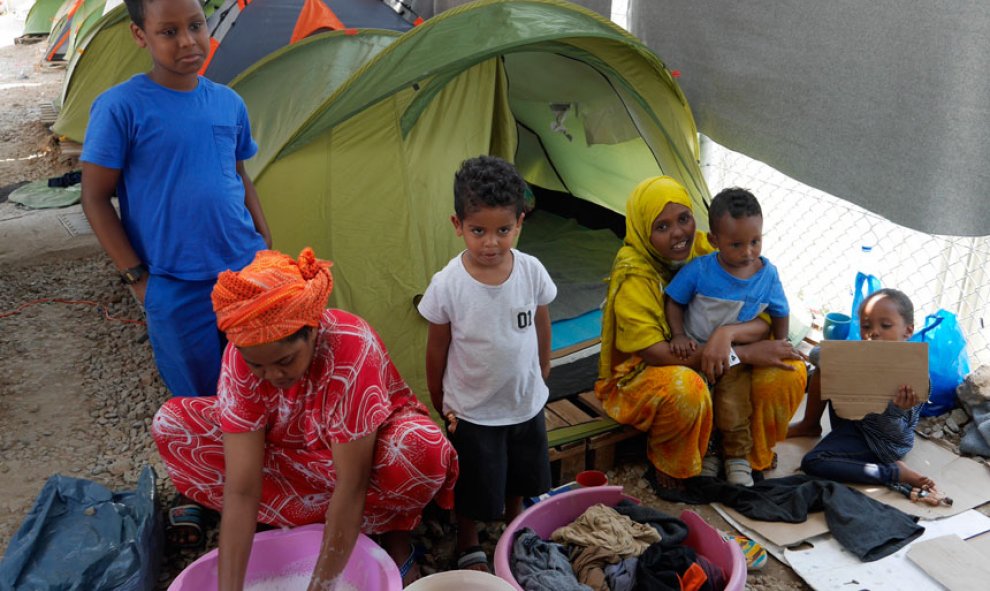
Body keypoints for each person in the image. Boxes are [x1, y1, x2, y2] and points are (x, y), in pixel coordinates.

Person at [151, 248, 458, 589]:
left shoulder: (350, 348)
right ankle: (307, 530)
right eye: (258, 365)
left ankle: (392, 531)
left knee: (419, 449)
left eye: (285, 361)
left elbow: (351, 483)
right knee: (173, 424)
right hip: (293, 459)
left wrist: (320, 585)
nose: (272, 375)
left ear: (312, 330)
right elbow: (242, 490)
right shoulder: (240, 361)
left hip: (361, 463)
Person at [80, 0, 271, 400]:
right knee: (200, 399)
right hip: (174, 283)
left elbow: (239, 175)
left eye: (196, 25)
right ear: (140, 35)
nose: (188, 41)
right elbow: (95, 199)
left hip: (244, 271)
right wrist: (137, 278)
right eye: (169, 32)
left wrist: (265, 244)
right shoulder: (121, 108)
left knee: (259, 387)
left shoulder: (228, 102)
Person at [595, 176, 806, 492]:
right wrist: (741, 353)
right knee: (687, 387)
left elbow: (763, 314)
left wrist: (727, 334)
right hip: (648, 372)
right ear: (642, 229)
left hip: (720, 353)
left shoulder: (711, 249)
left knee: (789, 372)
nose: (679, 233)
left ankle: (749, 457)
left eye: (683, 218)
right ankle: (677, 466)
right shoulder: (635, 275)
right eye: (662, 226)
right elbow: (655, 352)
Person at [418, 155, 557, 573]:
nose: (491, 243)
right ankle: (469, 539)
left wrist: (543, 369)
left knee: (522, 472)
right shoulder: (448, 284)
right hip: (473, 409)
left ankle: (516, 522)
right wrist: (441, 399)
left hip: (523, 401)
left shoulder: (530, 271)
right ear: (457, 225)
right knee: (474, 482)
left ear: (520, 223)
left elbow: (541, 319)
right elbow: (436, 348)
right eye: (478, 231)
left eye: (503, 230)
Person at [664, 188, 791, 486]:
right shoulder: (701, 269)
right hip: (695, 354)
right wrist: (679, 334)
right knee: (702, 404)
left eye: (755, 241)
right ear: (713, 240)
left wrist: (780, 342)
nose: (748, 252)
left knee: (733, 407)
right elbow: (674, 301)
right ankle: (708, 454)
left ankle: (736, 457)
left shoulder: (767, 275)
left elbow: (780, 310)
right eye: (736, 244)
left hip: (735, 358)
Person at [798, 289, 939, 495]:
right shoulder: (864, 356)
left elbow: (895, 435)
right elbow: (817, 354)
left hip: (880, 442)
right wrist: (840, 361)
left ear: (908, 331)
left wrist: (896, 410)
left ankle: (893, 472)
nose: (873, 332)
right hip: (856, 421)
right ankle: (809, 425)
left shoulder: (912, 376)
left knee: (814, 462)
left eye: (885, 326)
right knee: (827, 366)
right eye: (866, 326)